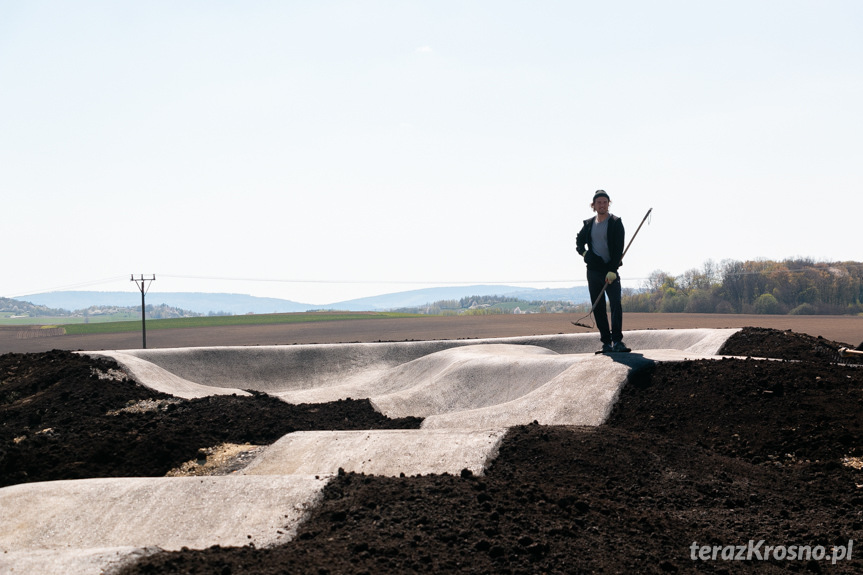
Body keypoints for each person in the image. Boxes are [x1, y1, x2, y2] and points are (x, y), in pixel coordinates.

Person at [575, 190, 630, 353]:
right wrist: (586, 254)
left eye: (605, 202)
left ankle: (618, 342)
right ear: (594, 205)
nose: (602, 205)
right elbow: (578, 243)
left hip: (611, 272)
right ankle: (606, 343)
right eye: (599, 202)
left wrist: (613, 269)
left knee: (615, 305)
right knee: (598, 307)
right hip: (593, 272)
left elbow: (619, 248)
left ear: (608, 204)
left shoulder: (615, 222)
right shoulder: (588, 224)